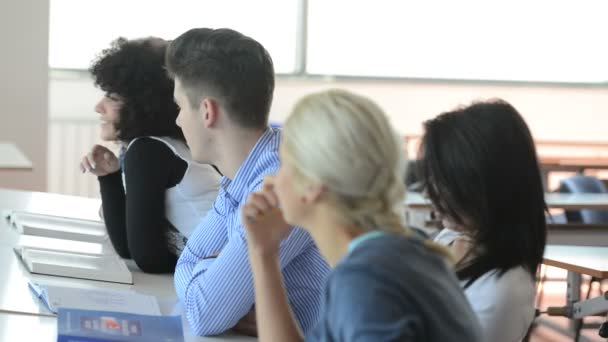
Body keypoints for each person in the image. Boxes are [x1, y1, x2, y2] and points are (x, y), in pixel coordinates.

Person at [242, 89, 483, 341]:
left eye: (284, 164)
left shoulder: (365, 283)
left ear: (313, 185)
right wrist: (264, 253)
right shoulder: (405, 253)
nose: (272, 180)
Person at [166, 28, 329, 336]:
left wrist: (211, 278)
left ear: (206, 112)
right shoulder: (243, 175)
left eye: (179, 106)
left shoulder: (281, 183)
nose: (177, 120)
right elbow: (189, 259)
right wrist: (211, 276)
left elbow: (205, 313)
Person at [80, 37, 220, 273]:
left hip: (223, 282)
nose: (98, 107)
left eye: (112, 98)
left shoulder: (148, 151)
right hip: (213, 277)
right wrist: (109, 176)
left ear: (143, 104)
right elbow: (128, 248)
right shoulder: (155, 147)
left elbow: (147, 258)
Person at [422, 100, 547, 342]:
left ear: (484, 185)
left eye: (442, 180)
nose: (430, 193)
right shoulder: (454, 238)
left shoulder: (502, 290)